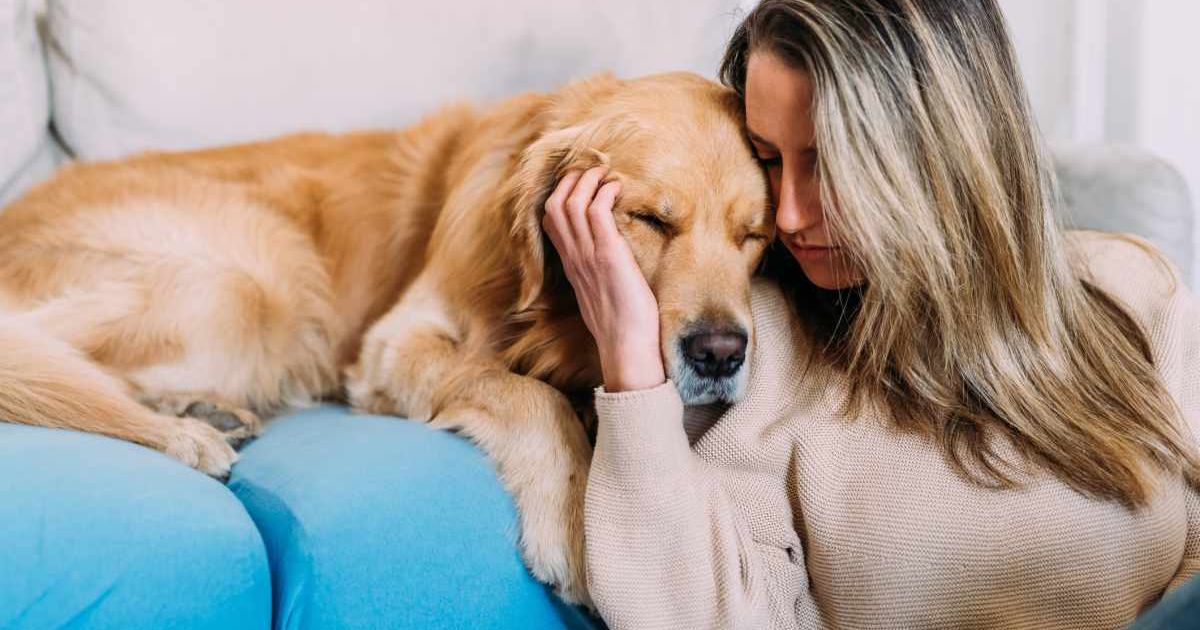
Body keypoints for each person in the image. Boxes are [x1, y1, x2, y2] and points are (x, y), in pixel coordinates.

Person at [541, 0, 1200, 627]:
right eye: (767, 160)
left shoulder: (1132, 292)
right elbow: (699, 616)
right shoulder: (759, 356)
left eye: (831, 160)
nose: (790, 215)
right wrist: (630, 365)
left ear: (945, 151)